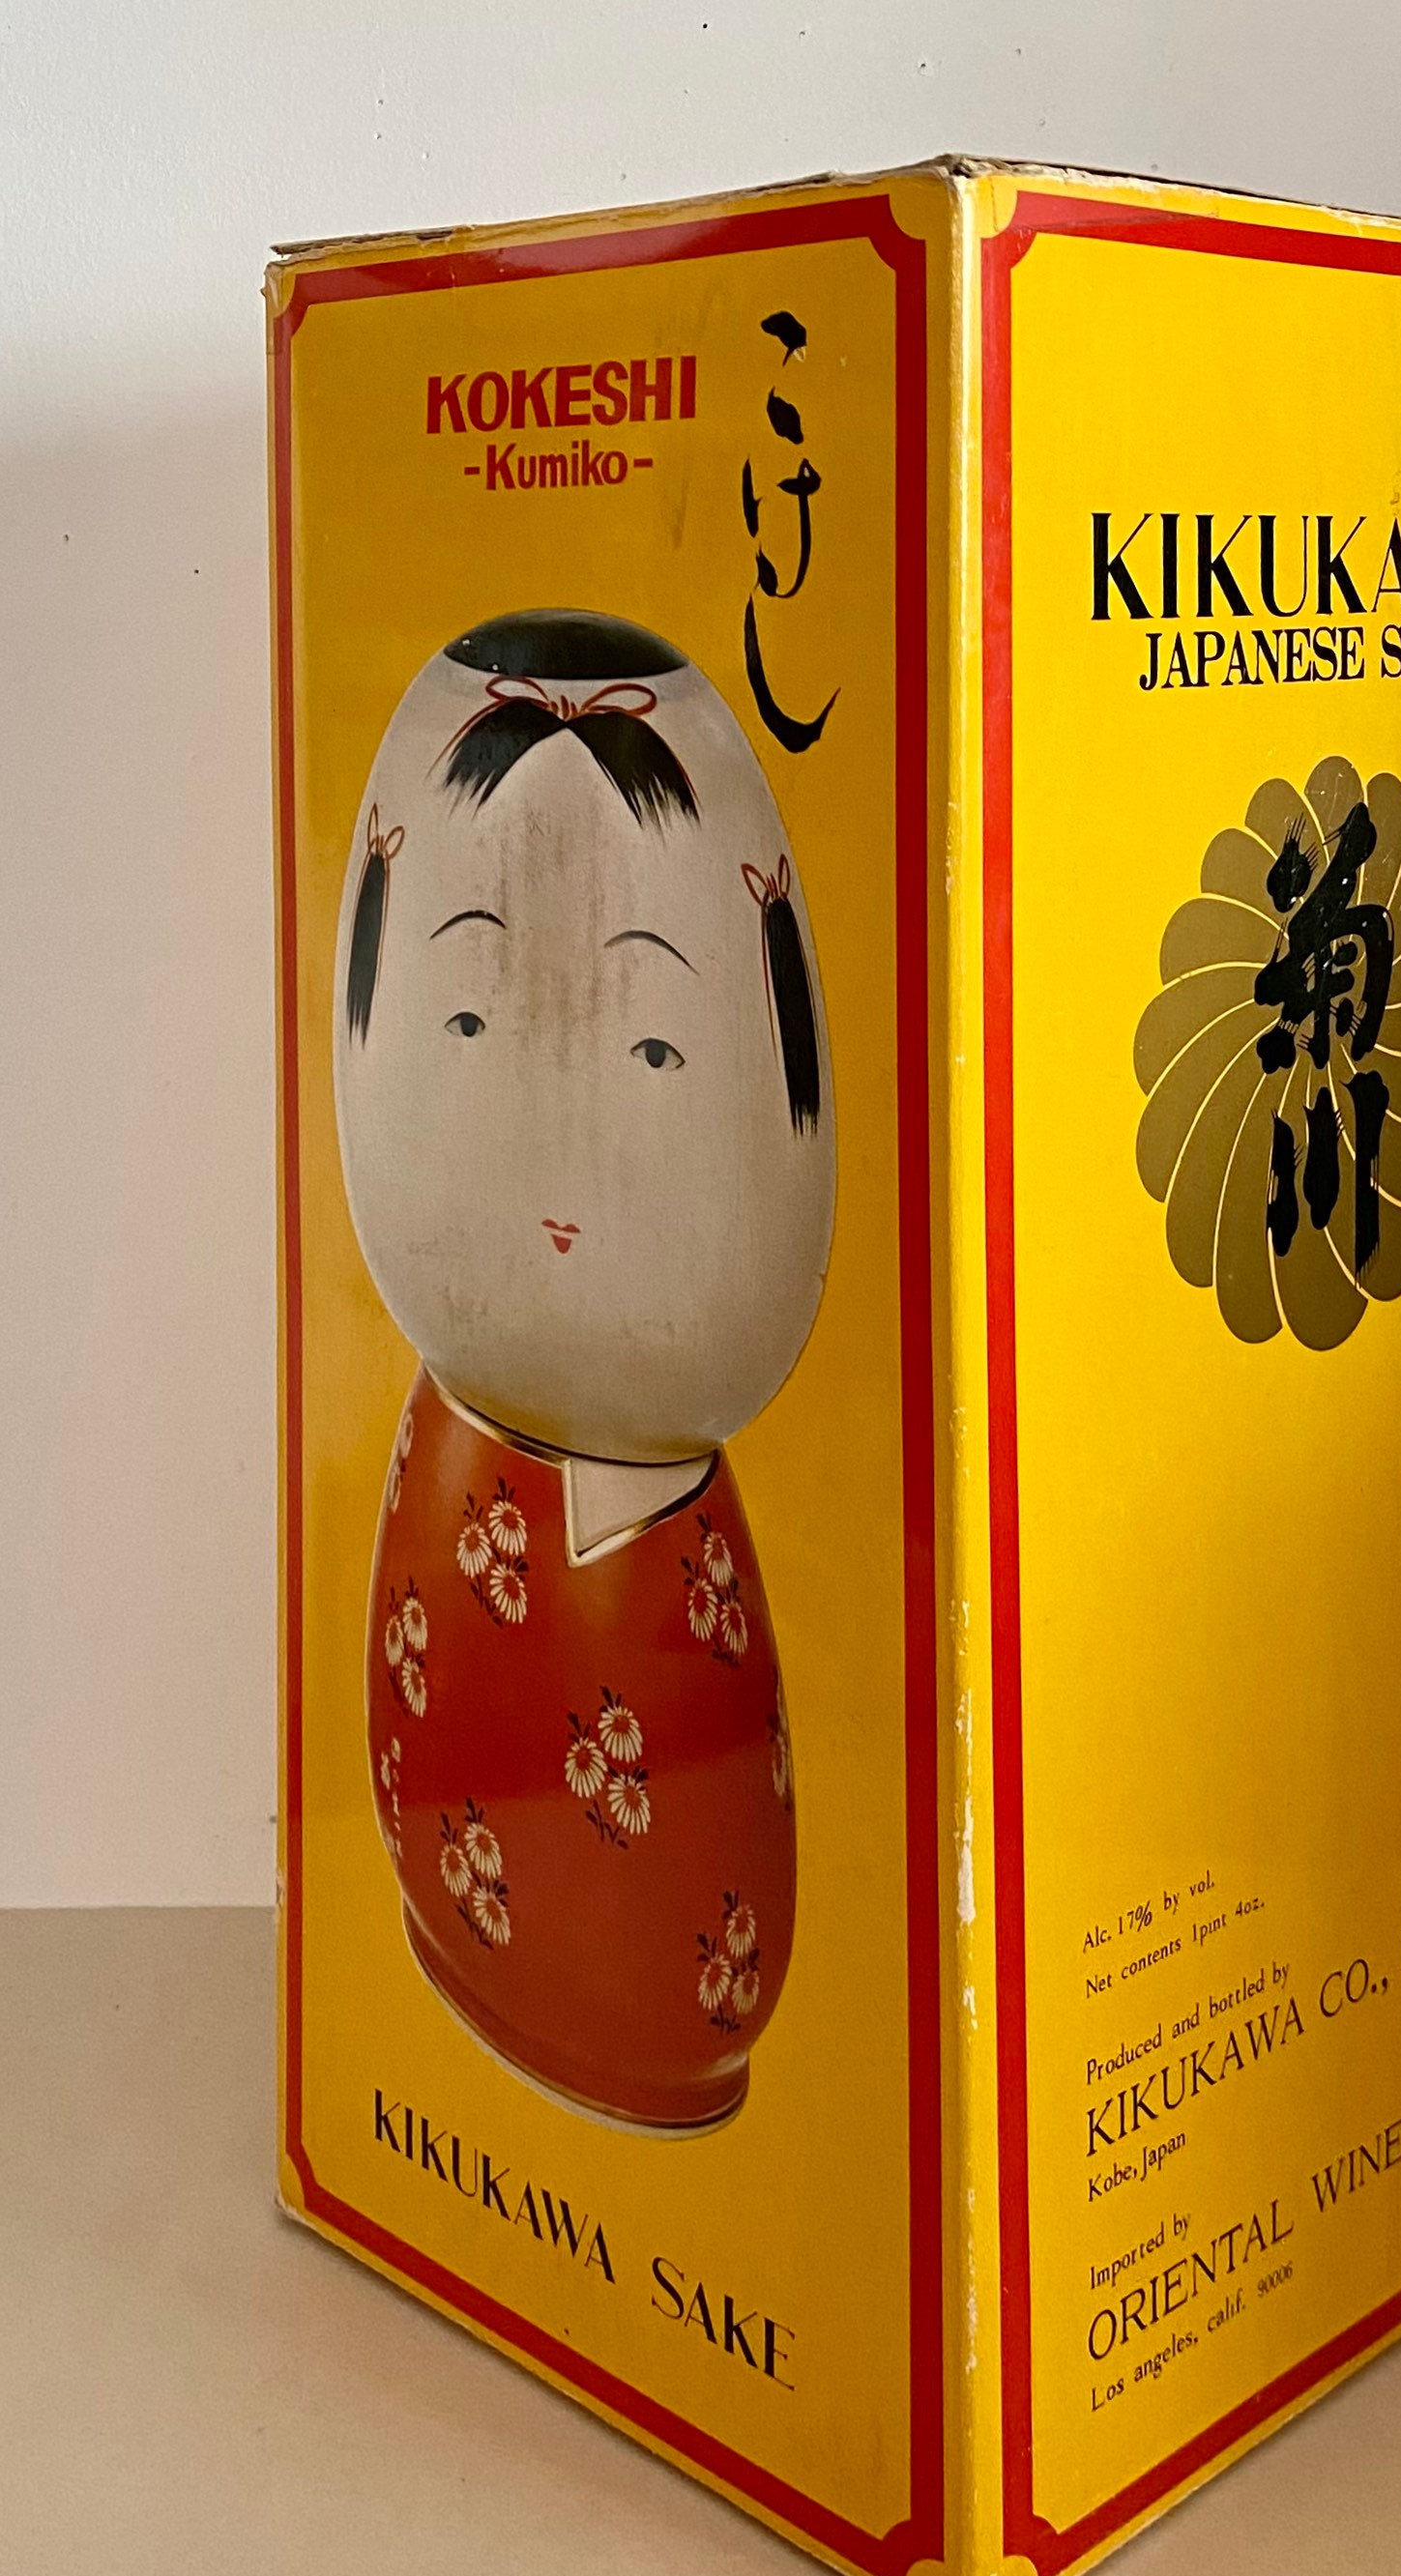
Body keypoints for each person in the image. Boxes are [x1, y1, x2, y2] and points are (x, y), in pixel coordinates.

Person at [333, 609, 835, 2130]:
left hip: (652, 1519)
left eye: (653, 1051)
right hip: (473, 1464)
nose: (564, 1142)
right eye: (468, 1019)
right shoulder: (461, 1380)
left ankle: (657, 2036)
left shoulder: (674, 1423)